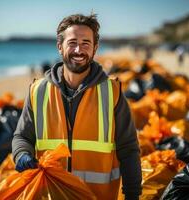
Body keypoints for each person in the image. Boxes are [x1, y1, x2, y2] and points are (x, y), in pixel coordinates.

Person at [12, 14, 142, 200]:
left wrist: (133, 194)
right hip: (50, 194)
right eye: (72, 42)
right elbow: (22, 136)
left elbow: (128, 148)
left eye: (86, 43)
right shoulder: (38, 91)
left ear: (95, 49)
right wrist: (21, 154)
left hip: (97, 196)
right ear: (60, 46)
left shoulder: (112, 92)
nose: (78, 50)